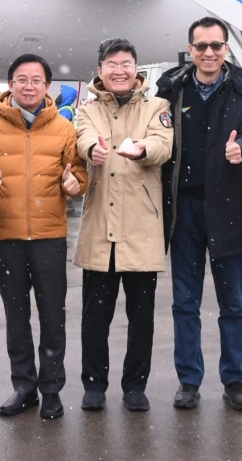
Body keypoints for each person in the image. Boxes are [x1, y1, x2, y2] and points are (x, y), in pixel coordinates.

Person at [154, 17, 242, 412]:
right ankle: (189, 380)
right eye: (201, 46)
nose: (208, 52)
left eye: (216, 45)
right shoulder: (171, 88)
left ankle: (234, 379)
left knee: (233, 303)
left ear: (226, 49)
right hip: (183, 208)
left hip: (229, 205)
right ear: (190, 49)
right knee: (185, 302)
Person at [0, 53, 87, 420]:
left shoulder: (64, 128)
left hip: (50, 236)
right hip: (7, 236)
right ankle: (24, 387)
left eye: (37, 80)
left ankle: (51, 390)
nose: (29, 86)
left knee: (53, 316)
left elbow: (79, 172)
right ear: (11, 85)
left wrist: (75, 183)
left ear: (47, 86)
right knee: (16, 316)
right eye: (22, 79)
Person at [73, 39, 173, 412]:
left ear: (136, 68)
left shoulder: (158, 106)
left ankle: (135, 385)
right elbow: (83, 137)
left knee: (141, 317)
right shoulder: (87, 110)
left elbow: (163, 143)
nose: (119, 70)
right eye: (112, 64)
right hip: (100, 225)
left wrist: (144, 149)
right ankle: (94, 384)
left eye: (126, 63)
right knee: (94, 316)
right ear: (100, 70)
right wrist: (92, 150)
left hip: (140, 226)